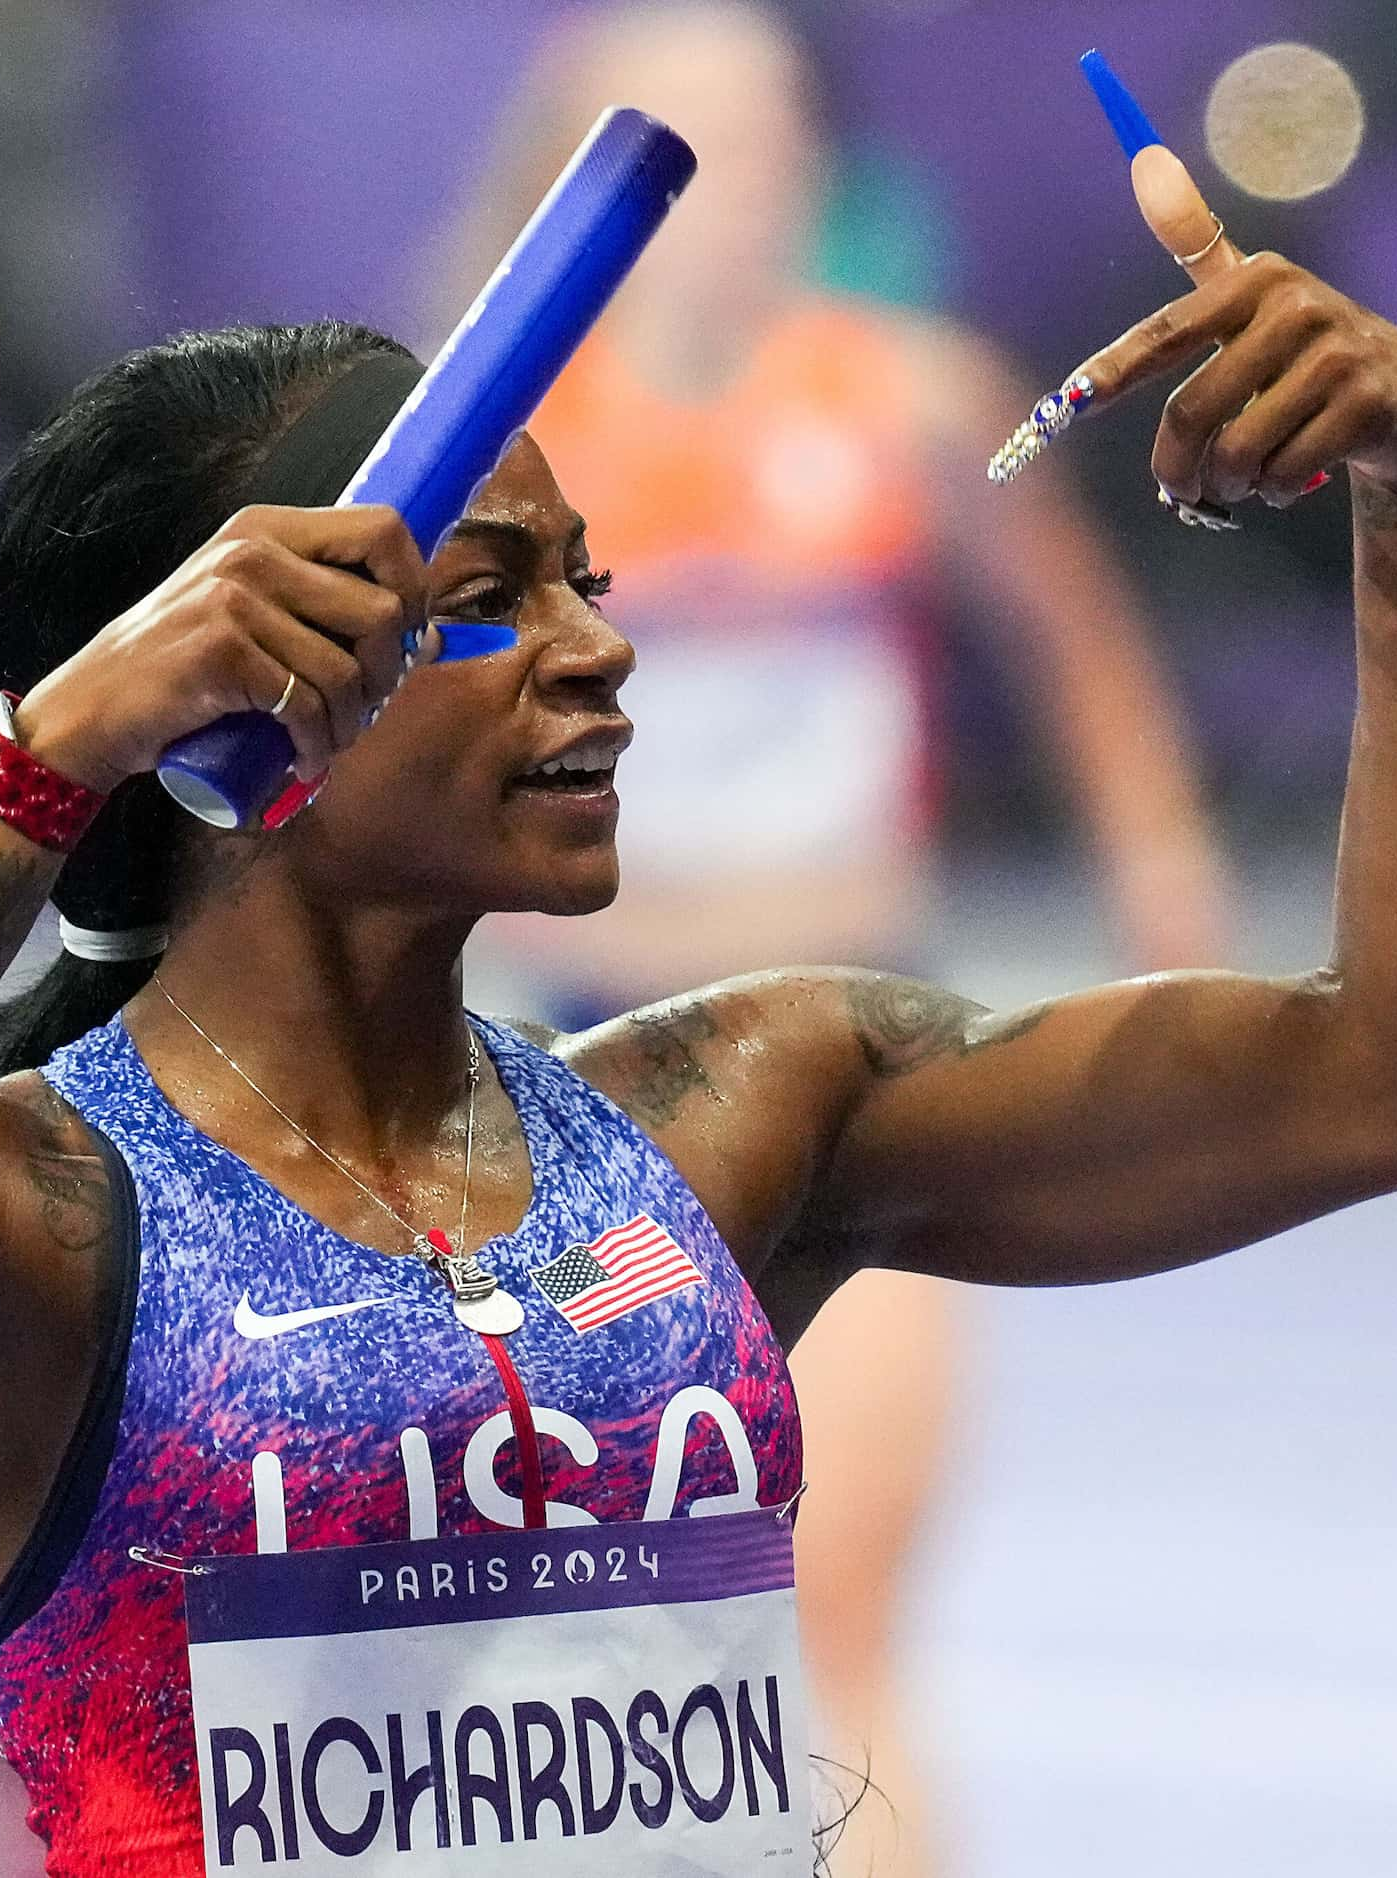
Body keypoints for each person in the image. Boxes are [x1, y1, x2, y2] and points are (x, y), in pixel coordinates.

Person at [0, 143, 1397, 1878]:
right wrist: (48, 755)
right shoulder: (11, 1219)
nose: (600, 650)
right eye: (482, 598)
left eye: (582, 583)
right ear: (209, 699)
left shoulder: (745, 1113)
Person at [445, 13, 1232, 1864]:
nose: (729, 192)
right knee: (565, 1634)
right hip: (574, 1074)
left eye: (762, 139)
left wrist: (1161, 866)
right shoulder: (495, 444)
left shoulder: (915, 400)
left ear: (812, 165)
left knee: (834, 1602)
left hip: (856, 1067)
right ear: (577, 183)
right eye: (675, 149)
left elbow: (1079, 645)